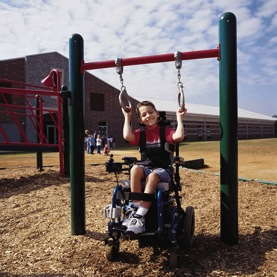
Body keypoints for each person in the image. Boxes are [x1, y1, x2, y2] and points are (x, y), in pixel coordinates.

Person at [121, 100, 187, 235]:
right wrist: (127, 117)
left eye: (151, 112)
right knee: (135, 169)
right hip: (147, 167)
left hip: (163, 169)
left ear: (157, 114)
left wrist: (179, 118)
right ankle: (135, 208)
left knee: (152, 176)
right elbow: (127, 136)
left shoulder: (165, 131)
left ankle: (140, 215)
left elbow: (179, 136)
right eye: (144, 114)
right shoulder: (141, 133)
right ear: (140, 120)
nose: (148, 116)